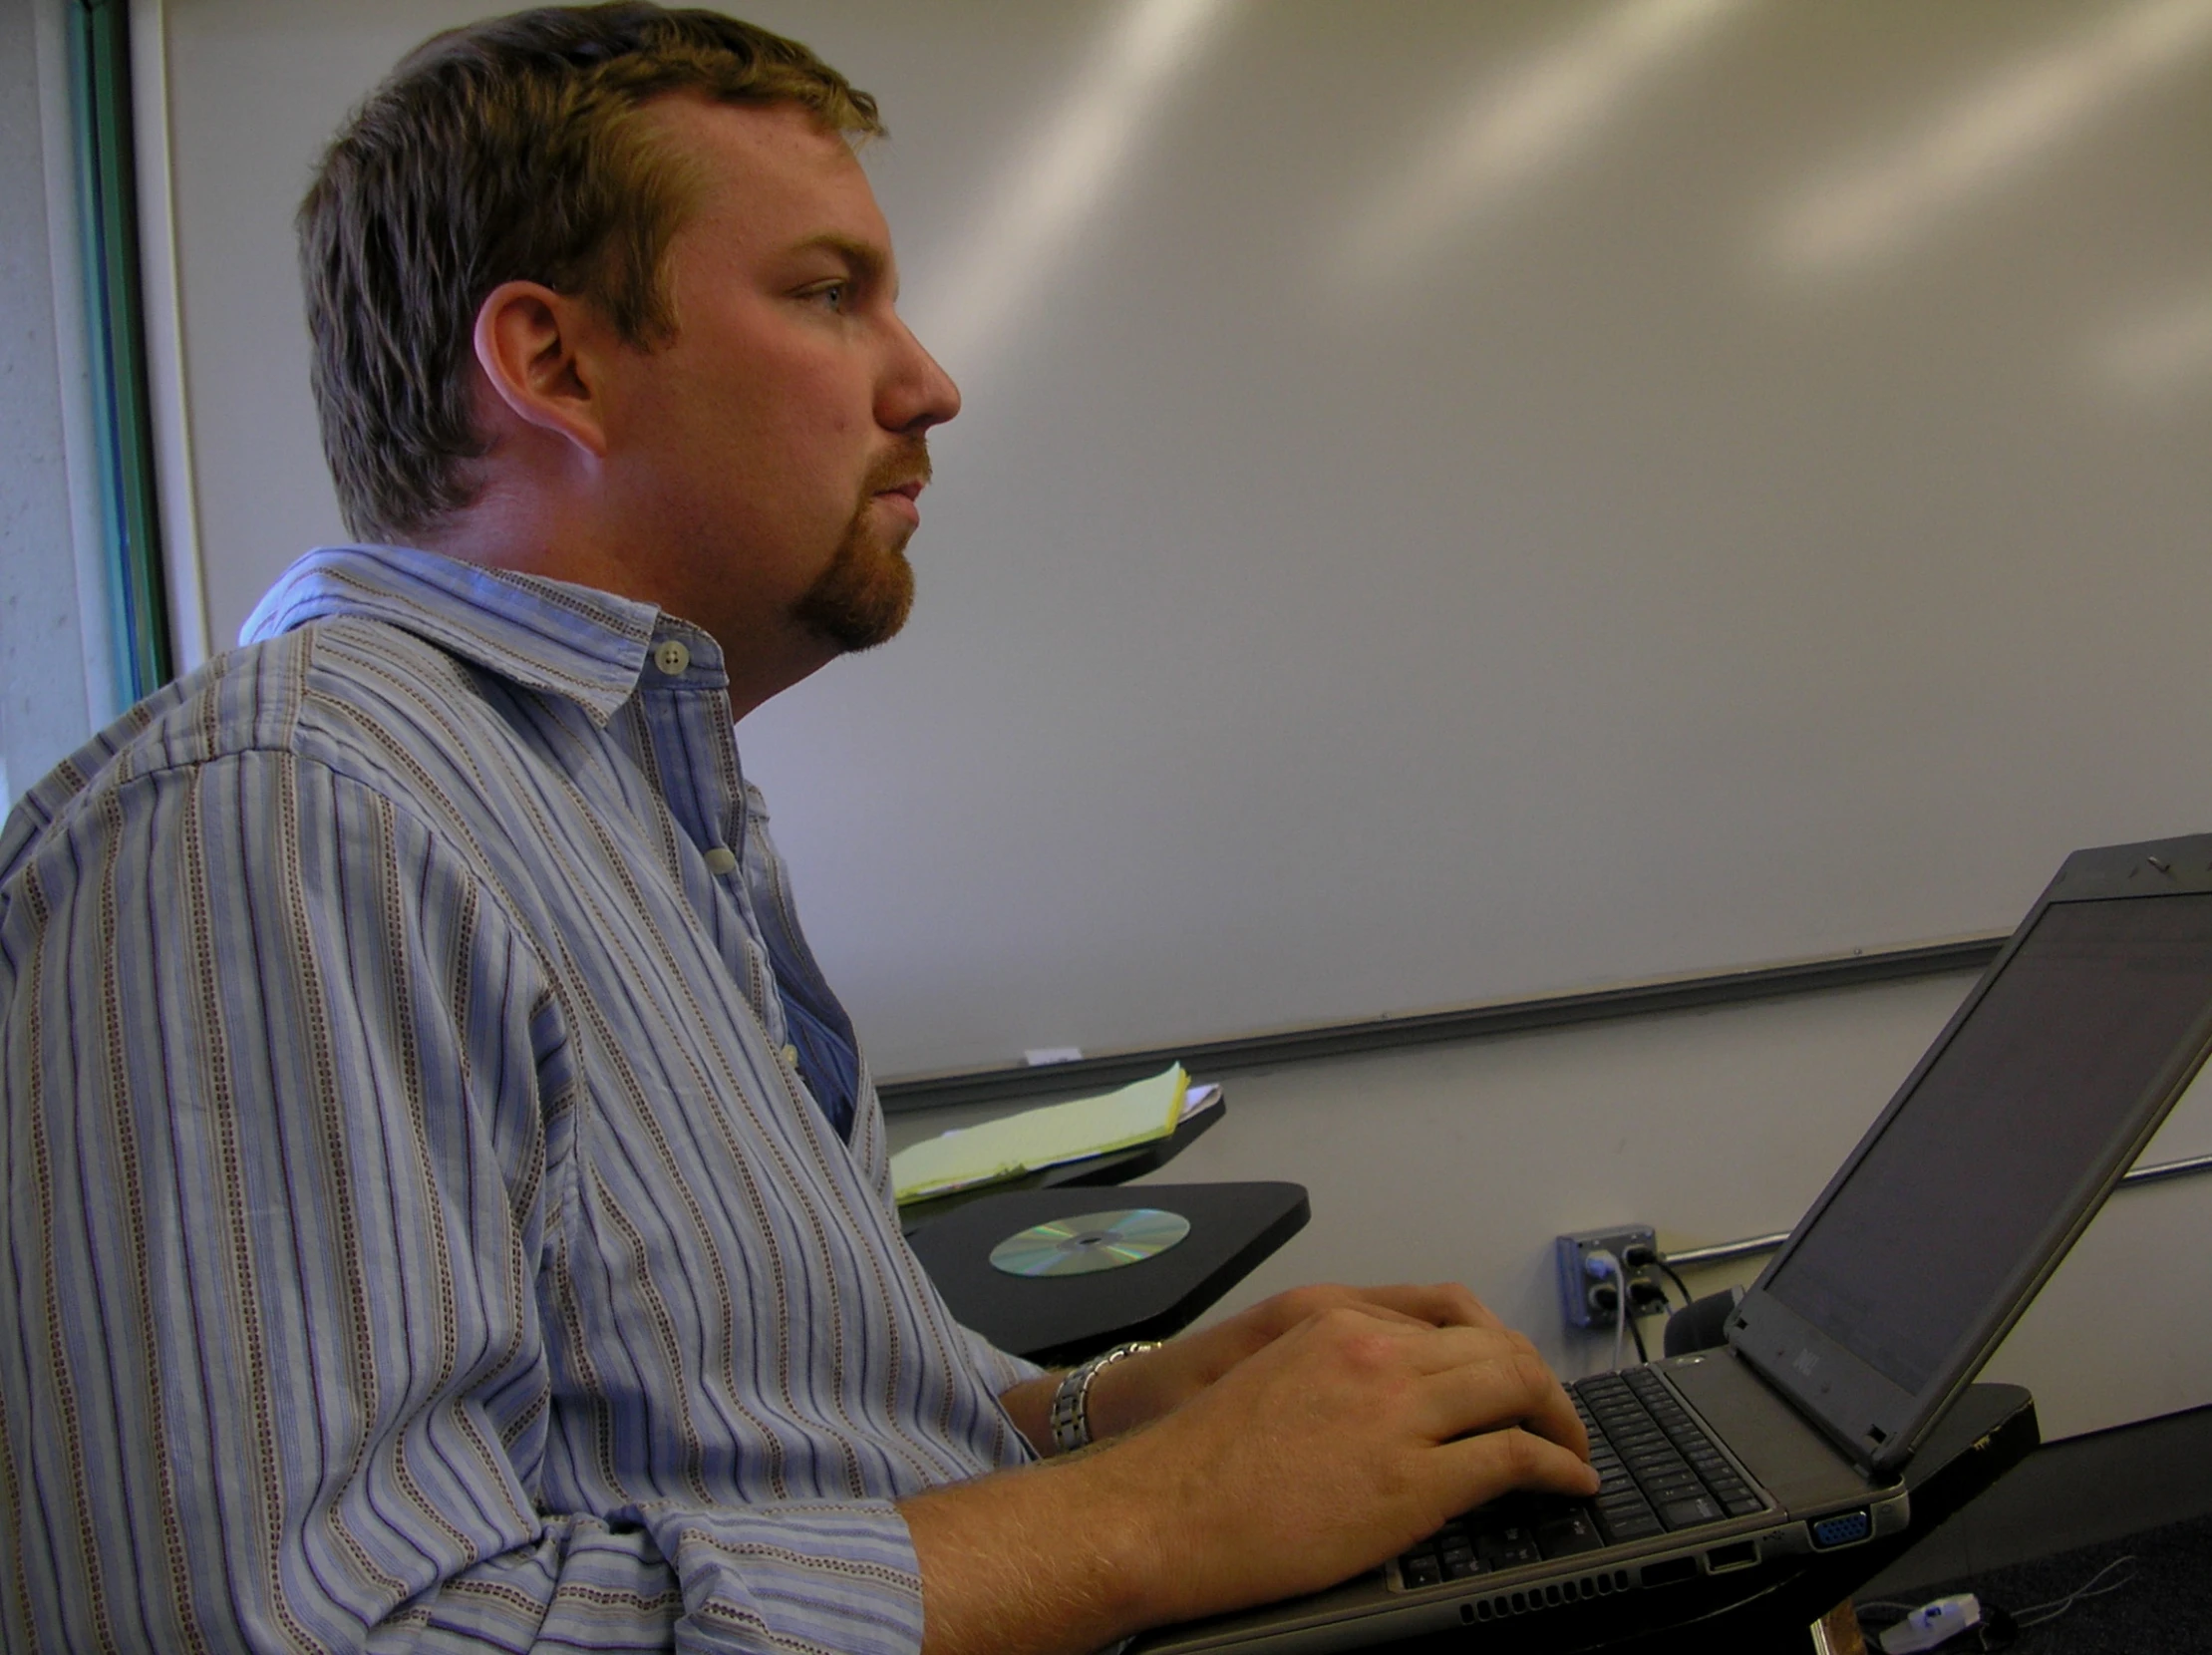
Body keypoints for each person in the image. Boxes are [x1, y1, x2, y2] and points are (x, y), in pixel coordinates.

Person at [0, 7, 1597, 1651]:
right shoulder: (280, 824)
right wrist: (1155, 1518)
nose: (931, 382)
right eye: (830, 295)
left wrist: (1100, 1422)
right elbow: (346, 1632)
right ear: (556, 364)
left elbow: (740, 1434)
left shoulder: (638, 802)